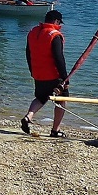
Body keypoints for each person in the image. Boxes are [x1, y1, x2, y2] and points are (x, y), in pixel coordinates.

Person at [21, 9, 68, 137]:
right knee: (61, 100)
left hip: (38, 73)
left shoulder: (33, 32)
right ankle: (55, 130)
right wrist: (65, 78)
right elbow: (59, 58)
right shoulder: (54, 35)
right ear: (56, 21)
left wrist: (32, 70)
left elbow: (28, 53)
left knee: (41, 98)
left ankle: (28, 117)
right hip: (53, 75)